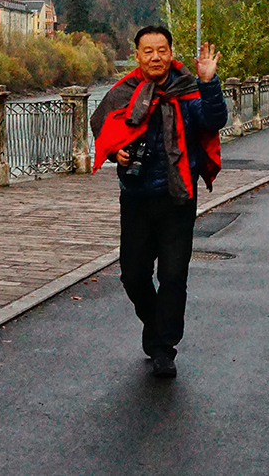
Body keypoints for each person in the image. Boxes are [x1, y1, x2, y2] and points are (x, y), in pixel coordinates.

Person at [90, 26, 227, 379]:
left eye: (161, 50)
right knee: (133, 275)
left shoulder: (188, 90)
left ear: (171, 53)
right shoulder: (124, 93)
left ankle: (164, 348)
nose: (155, 57)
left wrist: (209, 82)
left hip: (177, 196)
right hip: (136, 198)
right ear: (137, 55)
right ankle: (156, 326)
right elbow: (102, 127)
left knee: (173, 276)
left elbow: (215, 120)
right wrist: (115, 154)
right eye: (148, 51)